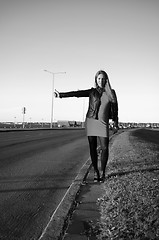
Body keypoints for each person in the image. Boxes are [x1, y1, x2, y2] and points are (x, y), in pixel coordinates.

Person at [54, 70, 118, 182]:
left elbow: (115, 109)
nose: (100, 81)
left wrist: (115, 122)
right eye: (98, 79)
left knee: (105, 148)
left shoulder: (111, 93)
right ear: (96, 80)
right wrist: (61, 95)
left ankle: (103, 172)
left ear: (106, 80)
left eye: (103, 79)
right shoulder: (92, 92)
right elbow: (77, 93)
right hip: (91, 122)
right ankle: (96, 172)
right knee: (92, 149)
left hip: (103, 124)